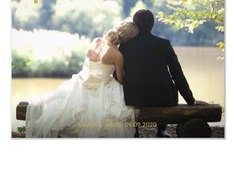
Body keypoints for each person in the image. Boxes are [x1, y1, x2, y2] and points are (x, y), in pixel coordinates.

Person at [25, 21, 139, 138]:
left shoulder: (96, 41)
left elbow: (87, 66)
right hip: (102, 88)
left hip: (82, 83)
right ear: (128, 38)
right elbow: (120, 79)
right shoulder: (118, 55)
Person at [119, 9, 207, 138]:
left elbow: (118, 75)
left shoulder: (125, 46)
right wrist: (191, 100)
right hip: (163, 98)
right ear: (152, 24)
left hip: (134, 98)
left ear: (134, 24)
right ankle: (161, 130)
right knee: (166, 84)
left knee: (131, 83)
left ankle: (135, 131)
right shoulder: (164, 44)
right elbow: (177, 74)